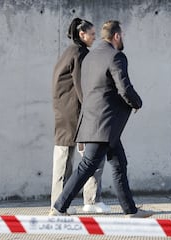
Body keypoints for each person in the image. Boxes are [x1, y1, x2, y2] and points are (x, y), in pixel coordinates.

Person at [51, 20, 153, 218]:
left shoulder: (90, 57)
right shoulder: (116, 56)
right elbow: (124, 87)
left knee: (119, 164)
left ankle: (130, 210)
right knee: (88, 165)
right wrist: (136, 103)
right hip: (104, 124)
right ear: (116, 36)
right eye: (121, 35)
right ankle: (59, 207)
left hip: (97, 121)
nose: (122, 39)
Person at [51, 18, 110, 215]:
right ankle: (91, 200)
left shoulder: (70, 51)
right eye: (92, 34)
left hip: (64, 112)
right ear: (82, 34)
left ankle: (58, 203)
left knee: (64, 157)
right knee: (93, 156)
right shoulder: (81, 53)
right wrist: (94, 111)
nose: (95, 38)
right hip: (76, 113)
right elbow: (83, 86)